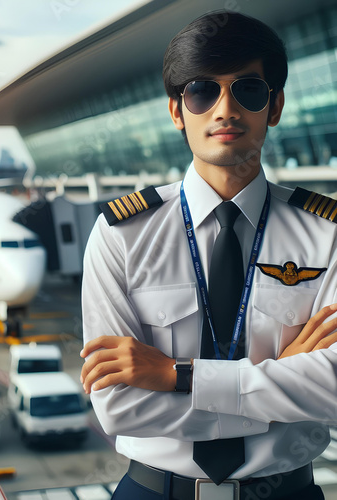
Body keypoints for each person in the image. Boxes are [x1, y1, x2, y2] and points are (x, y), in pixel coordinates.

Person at [80, 11, 337, 500]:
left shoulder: (327, 235)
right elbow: (118, 406)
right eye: (202, 90)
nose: (225, 110)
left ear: (275, 105)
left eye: (248, 90)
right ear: (177, 111)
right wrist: (285, 374)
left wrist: (174, 376)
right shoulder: (122, 235)